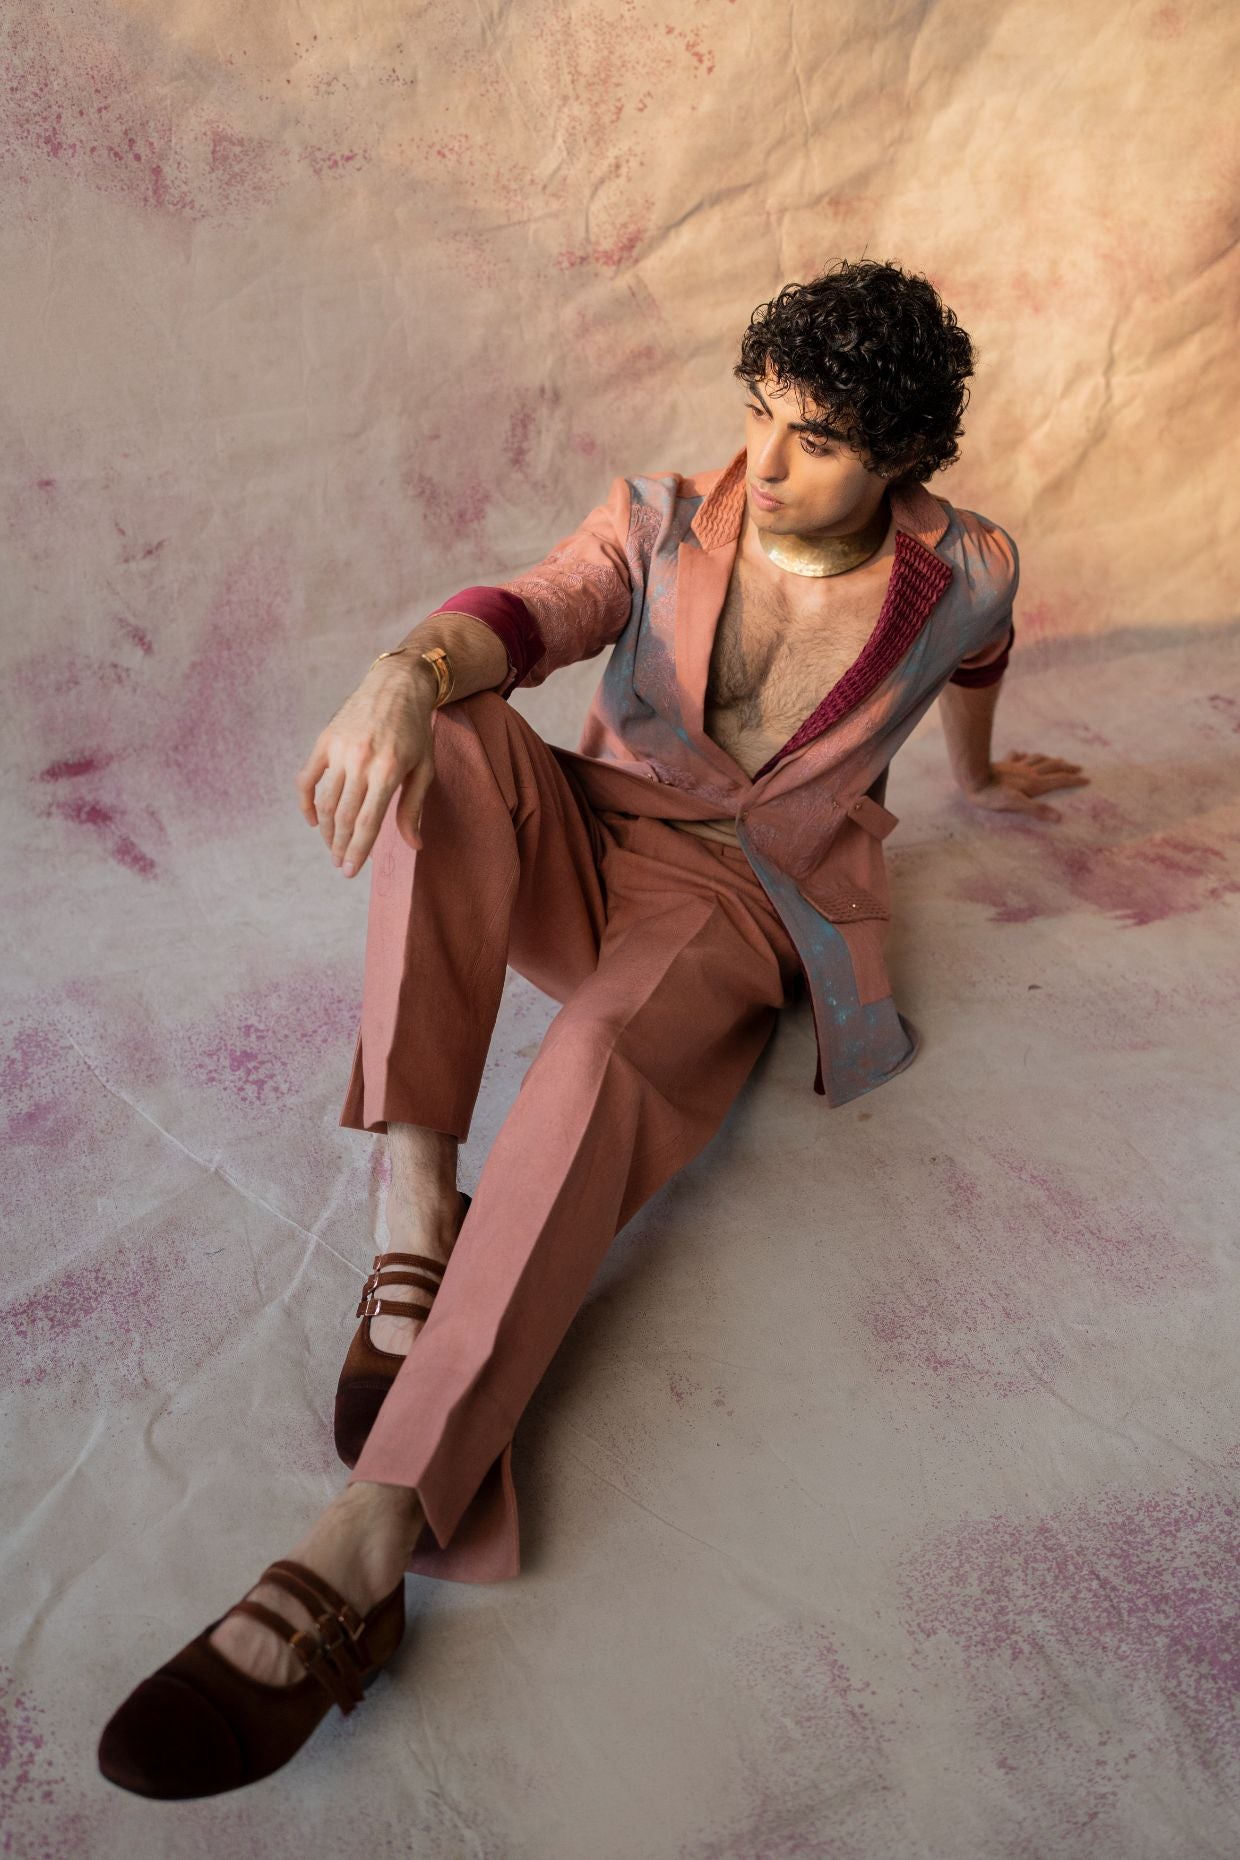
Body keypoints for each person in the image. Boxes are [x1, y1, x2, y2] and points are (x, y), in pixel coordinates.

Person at [97, 259, 1088, 1798]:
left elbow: (984, 650)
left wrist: (984, 775)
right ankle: (415, 1212)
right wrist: (402, 674)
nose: (766, 462)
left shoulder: (967, 569)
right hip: (585, 841)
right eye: (759, 414)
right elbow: (532, 611)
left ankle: (371, 1531)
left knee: (595, 1061)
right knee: (458, 736)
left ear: (901, 457)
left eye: (819, 439)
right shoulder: (660, 520)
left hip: (741, 899)